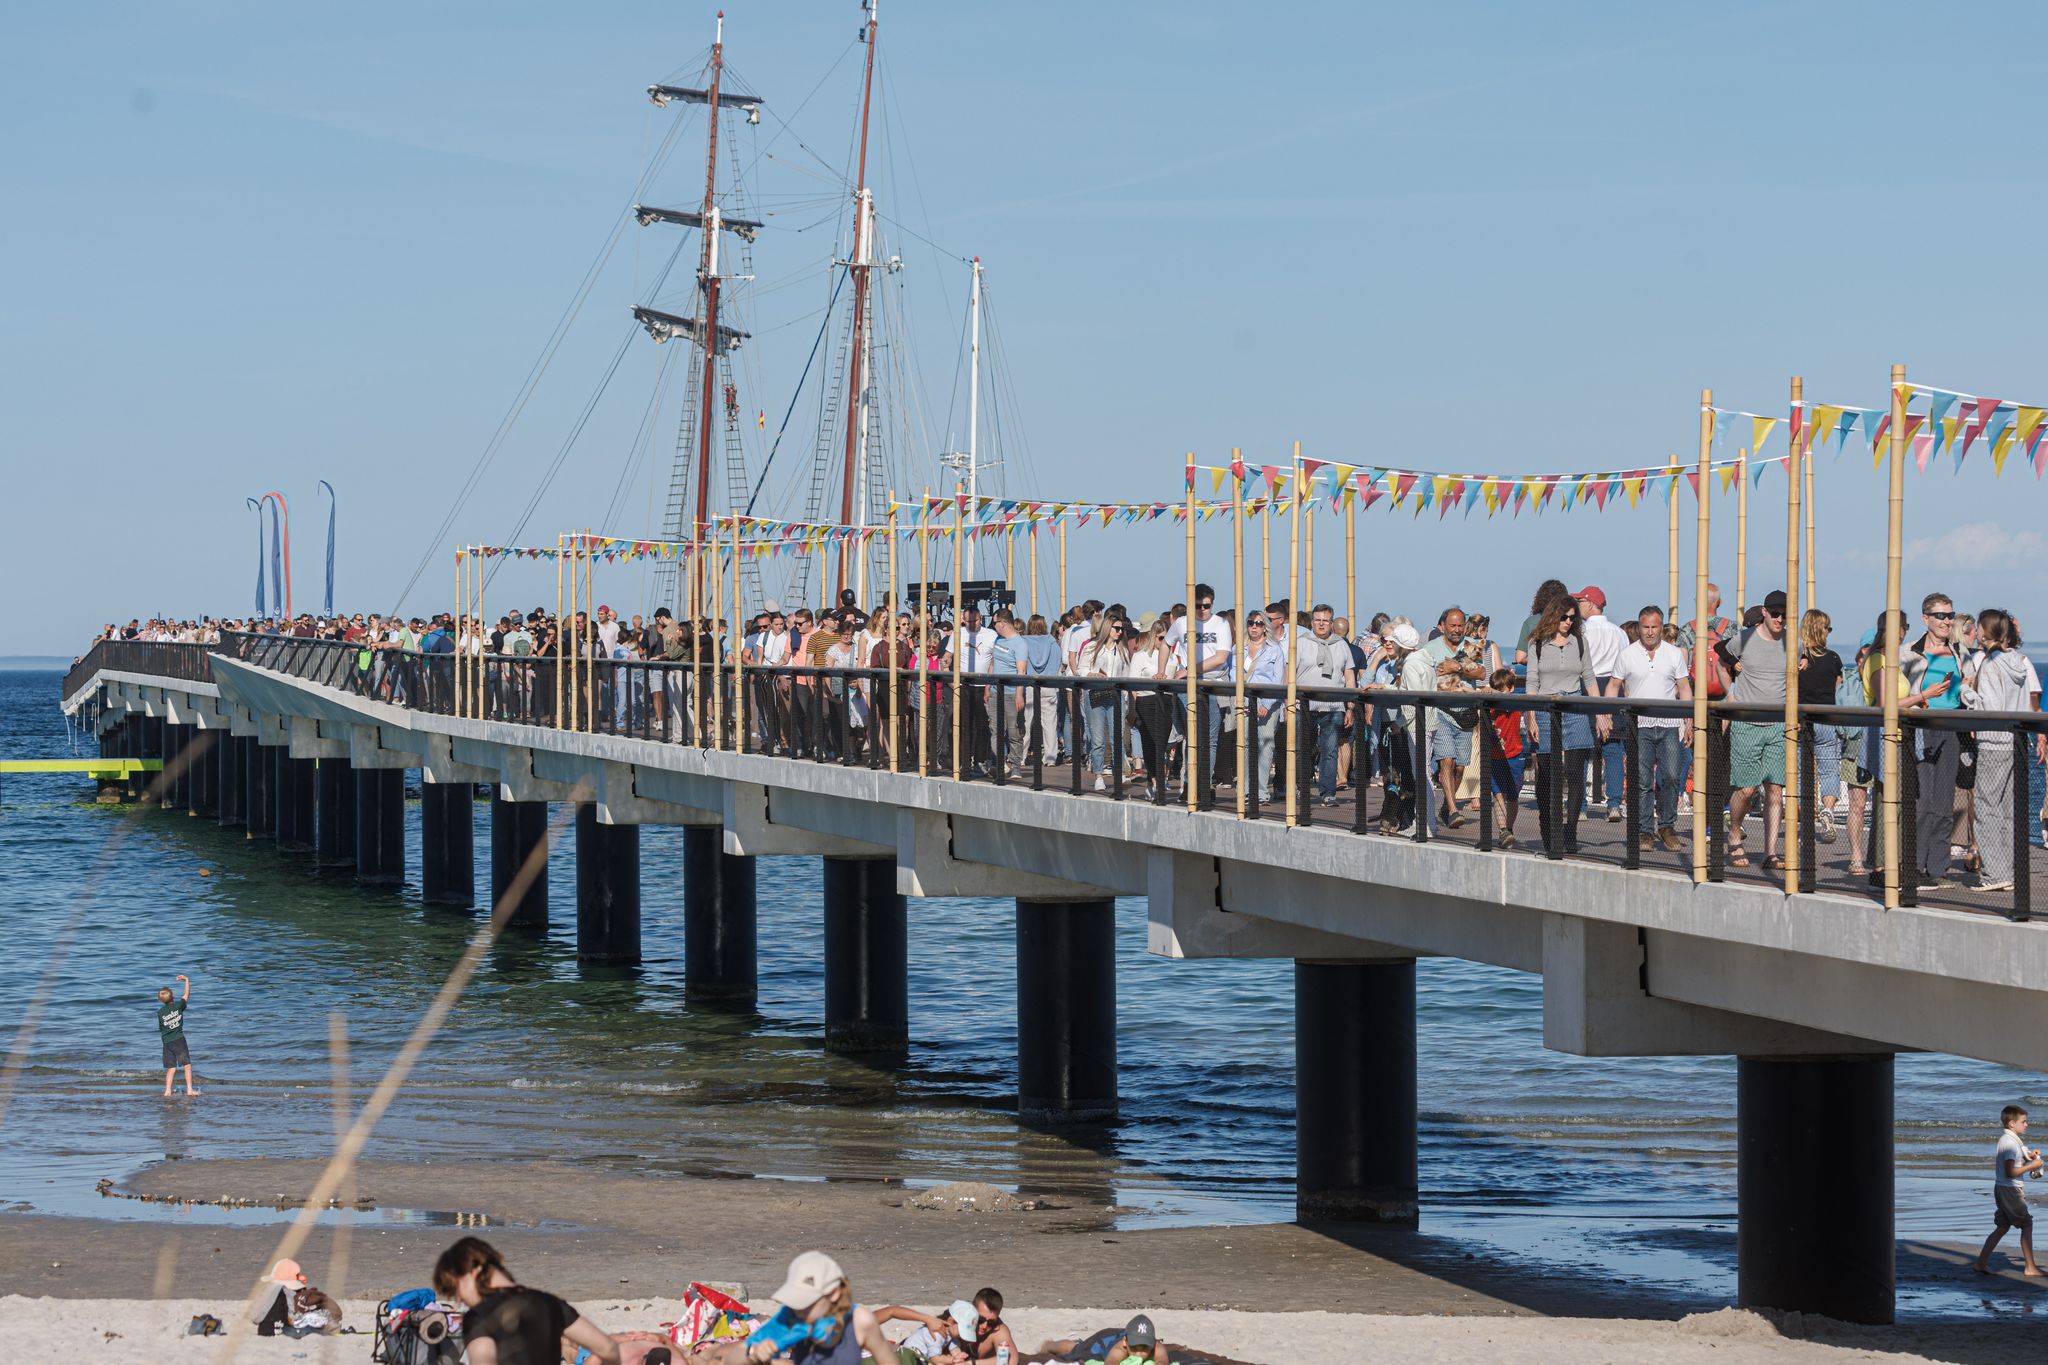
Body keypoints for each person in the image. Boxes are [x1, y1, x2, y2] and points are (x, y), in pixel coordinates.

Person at [434, 1236, 620, 1365]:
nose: (459, 1299)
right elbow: (608, 1348)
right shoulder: (550, 1303)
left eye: (455, 1289)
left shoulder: (479, 1316)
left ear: (472, 1272)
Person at [1605, 605, 1693, 853]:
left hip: (1669, 724)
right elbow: (1613, 685)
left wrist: (1689, 720)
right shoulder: (1627, 654)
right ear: (1640, 627)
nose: (1650, 632)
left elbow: (1684, 688)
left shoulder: (1674, 654)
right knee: (1642, 780)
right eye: (1646, 627)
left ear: (1661, 627)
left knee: (1672, 776)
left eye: (1654, 627)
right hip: (1639, 726)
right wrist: (1605, 713)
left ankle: (1666, 826)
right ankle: (1645, 830)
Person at [719, 1251, 895, 1365]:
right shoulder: (790, 1318)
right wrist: (753, 1355)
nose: (799, 1309)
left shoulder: (859, 1321)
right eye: (796, 1300)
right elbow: (732, 1358)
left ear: (834, 1293)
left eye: (807, 1301)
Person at [1722, 589, 1791, 871]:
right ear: (1764, 612)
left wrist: (1805, 663)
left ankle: (1770, 852)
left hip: (1778, 725)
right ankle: (1734, 833)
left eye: (1785, 615)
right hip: (1747, 723)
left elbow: (1805, 663)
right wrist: (1731, 690)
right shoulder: (1745, 639)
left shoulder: (1792, 643)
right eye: (1775, 613)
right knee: (1747, 789)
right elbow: (1722, 656)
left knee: (1775, 789)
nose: (1780, 619)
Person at [1524, 594, 1596, 855]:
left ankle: (1570, 830)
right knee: (1546, 774)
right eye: (1563, 617)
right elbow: (1532, 682)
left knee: (1576, 774)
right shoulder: (1537, 644)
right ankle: (1548, 827)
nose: (1568, 622)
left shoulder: (1580, 642)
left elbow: (1589, 678)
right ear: (1553, 616)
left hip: (1575, 707)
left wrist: (1602, 712)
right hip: (1546, 709)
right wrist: (1531, 716)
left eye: (1572, 618)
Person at [1903, 592, 1966, 887]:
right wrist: (1920, 698)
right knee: (1923, 801)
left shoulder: (1960, 653)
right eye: (1940, 615)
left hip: (1951, 729)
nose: (1946, 621)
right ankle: (1915, 865)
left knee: (1944, 802)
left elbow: (1968, 689)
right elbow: (1897, 692)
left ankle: (1938, 869)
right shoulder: (1909, 653)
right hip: (1921, 729)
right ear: (1925, 618)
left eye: (1950, 615)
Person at [1966, 609, 2031, 894]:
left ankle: (1994, 874)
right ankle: (2010, 871)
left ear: (1986, 631)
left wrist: (1966, 692)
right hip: (2015, 740)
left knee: (1987, 808)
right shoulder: (2017, 662)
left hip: (1993, 741)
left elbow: (1989, 708)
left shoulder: (1991, 664)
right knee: (2008, 810)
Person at [1423, 607, 1485, 826]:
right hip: (1441, 712)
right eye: (1452, 626)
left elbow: (1481, 673)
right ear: (1443, 626)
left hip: (1465, 714)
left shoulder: (1471, 645)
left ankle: (1445, 807)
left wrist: (1456, 666)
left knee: (1460, 766)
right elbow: (1425, 675)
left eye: (1460, 626)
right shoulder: (1430, 648)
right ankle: (1452, 809)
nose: (1457, 630)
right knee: (1446, 760)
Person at [1577, 588, 1629, 823]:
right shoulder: (1619, 633)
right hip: (1614, 688)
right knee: (1613, 748)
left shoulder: (1582, 632)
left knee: (1581, 749)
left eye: (1580, 600)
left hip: (1586, 687)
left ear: (1590, 604)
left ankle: (1580, 806)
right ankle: (1614, 804)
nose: (1577, 604)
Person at [1975, 1104, 2045, 1276]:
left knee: (2003, 1226)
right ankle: (2030, 1267)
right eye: (2024, 1121)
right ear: (2012, 1123)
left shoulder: (2008, 1140)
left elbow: (2014, 1163)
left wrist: (2029, 1157)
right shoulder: (2010, 1143)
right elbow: (2011, 1171)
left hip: (2003, 1188)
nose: (2027, 1124)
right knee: (2026, 1224)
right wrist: (2033, 1166)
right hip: (2010, 1190)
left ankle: (1981, 1263)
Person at [1796, 610, 1845, 846]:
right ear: (1820, 629)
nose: (1829, 632)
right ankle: (1828, 809)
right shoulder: (1833, 658)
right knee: (1829, 769)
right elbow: (1838, 686)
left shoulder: (1797, 658)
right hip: (1826, 718)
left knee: (1798, 772)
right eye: (1828, 628)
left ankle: (1802, 815)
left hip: (1799, 720)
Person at [1485, 667, 1525, 848]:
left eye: (1501, 690)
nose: (1496, 694)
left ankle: (1509, 828)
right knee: (1498, 794)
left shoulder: (1514, 702)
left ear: (1510, 689)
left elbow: (1507, 699)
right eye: (1495, 690)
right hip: (1495, 756)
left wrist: (1495, 691)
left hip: (1514, 755)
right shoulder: (1489, 705)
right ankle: (1503, 830)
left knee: (1513, 796)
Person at [1043, 1313, 1167, 1365]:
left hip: (1123, 1333)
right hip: (1102, 1341)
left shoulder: (1156, 1346)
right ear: (1125, 1342)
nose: (1139, 1354)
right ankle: (1049, 1345)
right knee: (1075, 1349)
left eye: (1144, 1347)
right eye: (1134, 1348)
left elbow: (1162, 1362)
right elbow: (1111, 1362)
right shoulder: (1120, 1349)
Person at [157, 974, 198, 1097]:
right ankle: (189, 1090)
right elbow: (186, 995)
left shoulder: (160, 1013)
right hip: (179, 1039)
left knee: (171, 1067)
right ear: (173, 996)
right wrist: (186, 980)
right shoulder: (178, 1006)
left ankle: (167, 1091)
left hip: (166, 1042)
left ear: (161, 1000)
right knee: (187, 1065)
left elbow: (161, 1028)